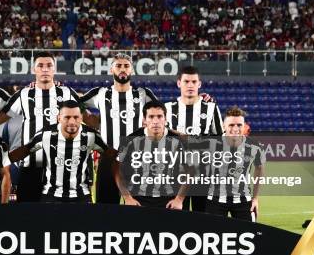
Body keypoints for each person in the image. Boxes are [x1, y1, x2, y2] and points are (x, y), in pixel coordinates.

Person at [0, 51, 80, 202]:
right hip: (30, 165)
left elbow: (84, 117)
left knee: (59, 217)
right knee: (27, 216)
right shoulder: (24, 94)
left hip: (60, 166)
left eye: (49, 65)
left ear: (54, 69)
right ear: (34, 69)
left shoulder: (66, 92)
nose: (45, 69)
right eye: (40, 66)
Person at [79, 53, 159, 204]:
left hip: (137, 159)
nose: (122, 69)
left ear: (132, 71)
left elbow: (163, 114)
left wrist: (199, 98)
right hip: (108, 158)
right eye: (118, 66)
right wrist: (91, 121)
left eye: (126, 66)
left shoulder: (143, 94)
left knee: (141, 209)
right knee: (106, 210)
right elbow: (74, 103)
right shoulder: (100, 93)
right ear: (111, 70)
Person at [9, 101, 117, 203]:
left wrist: (127, 153)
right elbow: (23, 151)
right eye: (67, 117)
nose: (72, 122)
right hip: (51, 195)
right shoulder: (46, 134)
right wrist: (0, 159)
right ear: (59, 118)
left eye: (76, 117)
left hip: (81, 196)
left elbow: (111, 154)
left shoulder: (91, 135)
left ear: (81, 118)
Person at [164, 66, 223, 212]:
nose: (190, 85)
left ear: (199, 84)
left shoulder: (211, 108)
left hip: (203, 174)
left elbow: (220, 141)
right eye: (186, 81)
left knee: (201, 218)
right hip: (175, 174)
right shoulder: (167, 108)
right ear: (179, 83)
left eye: (194, 81)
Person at [114, 101, 188, 209]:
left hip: (169, 201)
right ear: (144, 120)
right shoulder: (130, 140)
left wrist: (179, 199)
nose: (155, 121)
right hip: (138, 201)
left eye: (159, 116)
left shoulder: (178, 141)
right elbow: (117, 170)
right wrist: (128, 198)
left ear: (165, 119)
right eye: (151, 117)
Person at [203, 106, 265, 221]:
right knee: (214, 237)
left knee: (248, 236)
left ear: (244, 126)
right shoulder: (210, 144)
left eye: (239, 125)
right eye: (231, 125)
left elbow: (259, 169)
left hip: (243, 200)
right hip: (215, 200)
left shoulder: (255, 146)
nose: (235, 128)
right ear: (223, 126)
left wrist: (255, 198)